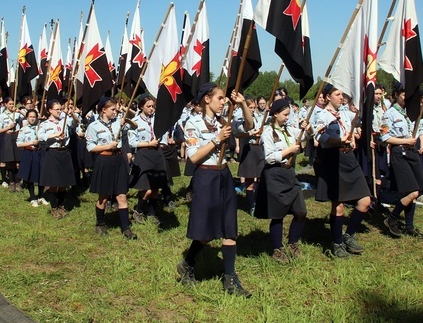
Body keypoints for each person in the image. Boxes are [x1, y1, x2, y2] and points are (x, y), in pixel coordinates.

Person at [177, 84, 251, 297]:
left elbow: (249, 125)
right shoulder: (193, 123)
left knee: (229, 228)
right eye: (219, 98)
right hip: (206, 176)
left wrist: (243, 103)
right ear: (206, 99)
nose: (223, 101)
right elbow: (193, 157)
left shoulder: (223, 121)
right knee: (206, 232)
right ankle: (188, 263)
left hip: (224, 174)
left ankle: (230, 278)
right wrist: (217, 139)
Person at [313, 84, 372, 258]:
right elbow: (320, 137)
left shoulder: (345, 113)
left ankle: (349, 235)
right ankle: (337, 243)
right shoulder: (321, 115)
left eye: (342, 94)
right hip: (333, 159)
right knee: (338, 205)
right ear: (327, 96)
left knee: (365, 201)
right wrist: (339, 140)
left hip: (349, 159)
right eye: (337, 94)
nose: (341, 97)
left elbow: (363, 113)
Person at [255, 98, 310, 263]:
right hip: (275, 175)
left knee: (301, 212)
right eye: (285, 115)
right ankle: (277, 249)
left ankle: (293, 243)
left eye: (289, 114)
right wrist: (289, 151)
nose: (287, 117)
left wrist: (308, 128)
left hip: (289, 174)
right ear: (276, 114)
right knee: (277, 215)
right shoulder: (267, 133)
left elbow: (305, 135)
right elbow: (269, 158)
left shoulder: (289, 131)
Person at [380, 84, 423, 239]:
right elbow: (385, 137)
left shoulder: (411, 112)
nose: (405, 97)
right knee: (412, 191)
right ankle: (392, 218)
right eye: (402, 94)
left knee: (416, 190)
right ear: (395, 95)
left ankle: (409, 226)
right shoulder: (390, 114)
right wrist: (405, 141)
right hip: (399, 152)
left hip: (412, 152)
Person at [88, 97, 135, 238]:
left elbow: (135, 126)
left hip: (118, 160)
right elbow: (90, 147)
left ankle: (126, 228)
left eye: (116, 109)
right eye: (112, 109)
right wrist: (107, 146)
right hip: (104, 160)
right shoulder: (94, 126)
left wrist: (126, 120)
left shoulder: (118, 123)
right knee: (103, 196)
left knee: (121, 195)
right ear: (103, 110)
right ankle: (100, 223)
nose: (115, 112)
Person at [128, 95, 165, 226]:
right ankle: (138, 211)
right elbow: (132, 142)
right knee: (147, 188)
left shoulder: (157, 119)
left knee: (156, 188)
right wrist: (149, 143)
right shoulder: (135, 121)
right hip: (144, 154)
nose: (151, 109)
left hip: (157, 154)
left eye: (153, 106)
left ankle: (152, 212)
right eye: (148, 106)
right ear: (141, 106)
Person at [37, 99, 77, 218]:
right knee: (54, 183)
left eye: (60, 109)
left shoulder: (64, 120)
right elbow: (40, 136)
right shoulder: (45, 124)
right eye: (57, 109)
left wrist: (71, 113)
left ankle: (61, 205)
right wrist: (54, 136)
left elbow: (76, 122)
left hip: (64, 152)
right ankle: (54, 208)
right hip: (53, 152)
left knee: (64, 182)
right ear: (50, 110)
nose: (60, 111)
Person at [17, 109, 45, 206]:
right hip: (29, 152)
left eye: (34, 117)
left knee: (41, 174)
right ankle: (33, 197)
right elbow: (19, 144)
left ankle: (41, 196)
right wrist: (30, 143)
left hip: (40, 152)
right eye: (30, 117)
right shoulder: (23, 129)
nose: (32, 119)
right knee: (30, 176)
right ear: (27, 118)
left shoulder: (40, 128)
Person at [0, 97, 23, 191]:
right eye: (10, 104)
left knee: (18, 161)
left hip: (17, 136)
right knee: (10, 160)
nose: (12, 106)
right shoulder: (2, 116)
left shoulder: (17, 114)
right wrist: (8, 127)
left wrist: (19, 111)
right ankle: (11, 182)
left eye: (13, 104)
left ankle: (18, 181)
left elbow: (27, 118)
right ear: (5, 104)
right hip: (8, 137)